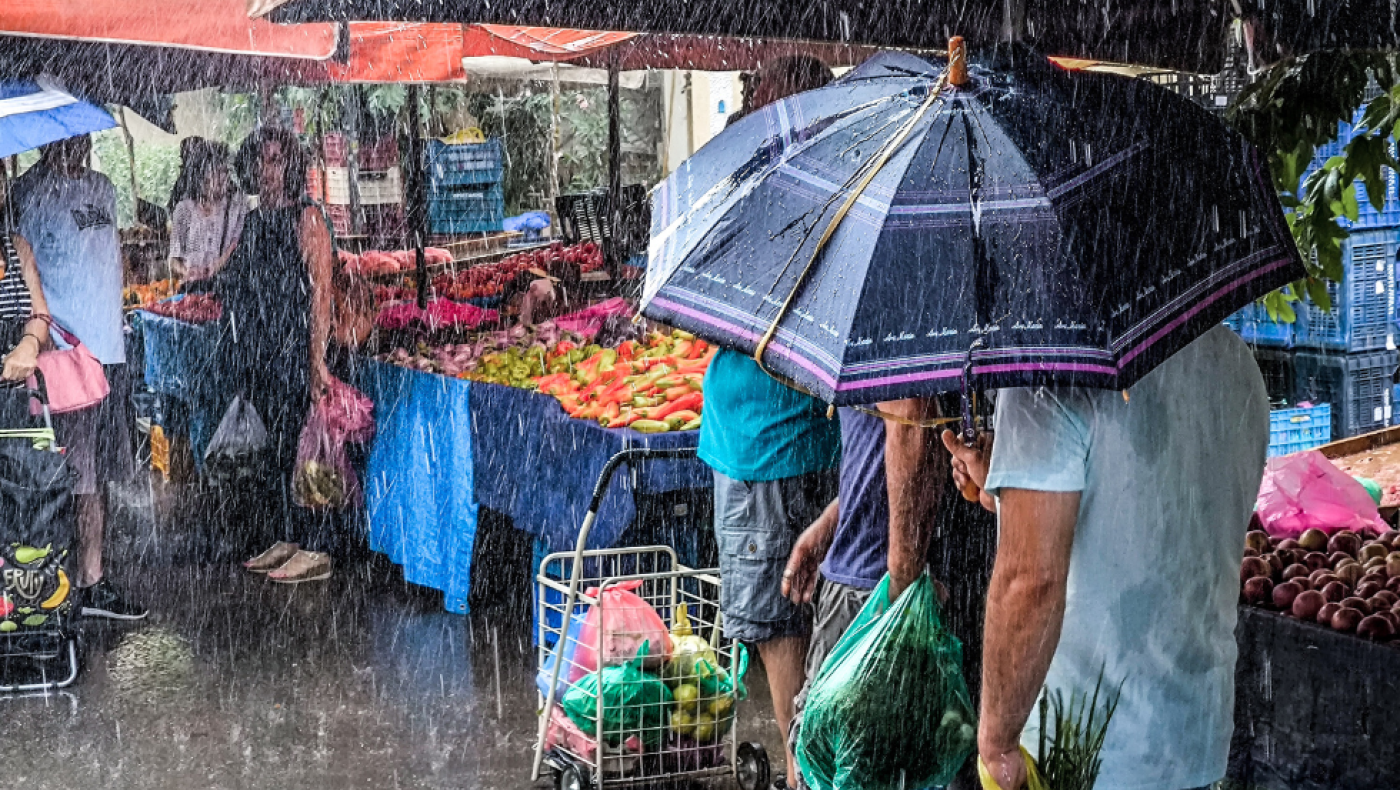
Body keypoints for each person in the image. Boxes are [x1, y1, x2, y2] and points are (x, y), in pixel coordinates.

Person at [943, 325, 1269, 790]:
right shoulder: (1236, 362)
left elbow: (1029, 580)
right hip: (1198, 739)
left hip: (1084, 754)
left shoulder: (1050, 369)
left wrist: (996, 741)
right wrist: (1005, 486)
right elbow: (1163, 511)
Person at [699, 54, 841, 790]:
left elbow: (722, 311)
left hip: (767, 441)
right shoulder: (824, 191)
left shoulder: (773, 197)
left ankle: (799, 768)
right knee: (808, 608)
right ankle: (809, 759)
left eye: (762, 100)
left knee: (780, 618)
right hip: (798, 437)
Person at [781, 400, 951, 790]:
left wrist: (901, 584)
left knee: (829, 761)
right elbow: (886, 440)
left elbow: (910, 420)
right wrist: (833, 523)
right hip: (869, 566)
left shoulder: (896, 337)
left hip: (873, 588)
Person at [10, 135, 145, 620]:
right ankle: (77, 580)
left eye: (82, 135)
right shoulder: (29, 192)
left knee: (101, 472)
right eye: (66, 136)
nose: (76, 144)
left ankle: (88, 574)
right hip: (64, 354)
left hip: (109, 347)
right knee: (72, 473)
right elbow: (23, 276)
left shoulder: (104, 188)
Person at [221, 127, 337, 584]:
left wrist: (316, 358)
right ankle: (289, 536)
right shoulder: (253, 219)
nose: (267, 170)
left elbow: (321, 291)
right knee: (281, 450)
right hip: (263, 352)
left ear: (292, 167)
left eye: (276, 160)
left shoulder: (307, 217)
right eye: (261, 161)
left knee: (313, 447)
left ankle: (319, 545)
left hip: (297, 348)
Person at [167, 139, 246, 283]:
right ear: (203, 177)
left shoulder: (235, 206)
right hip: (192, 287)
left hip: (224, 283)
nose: (226, 178)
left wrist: (216, 266)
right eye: (219, 173)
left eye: (226, 172)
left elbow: (236, 242)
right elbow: (173, 259)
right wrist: (186, 271)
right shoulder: (183, 210)